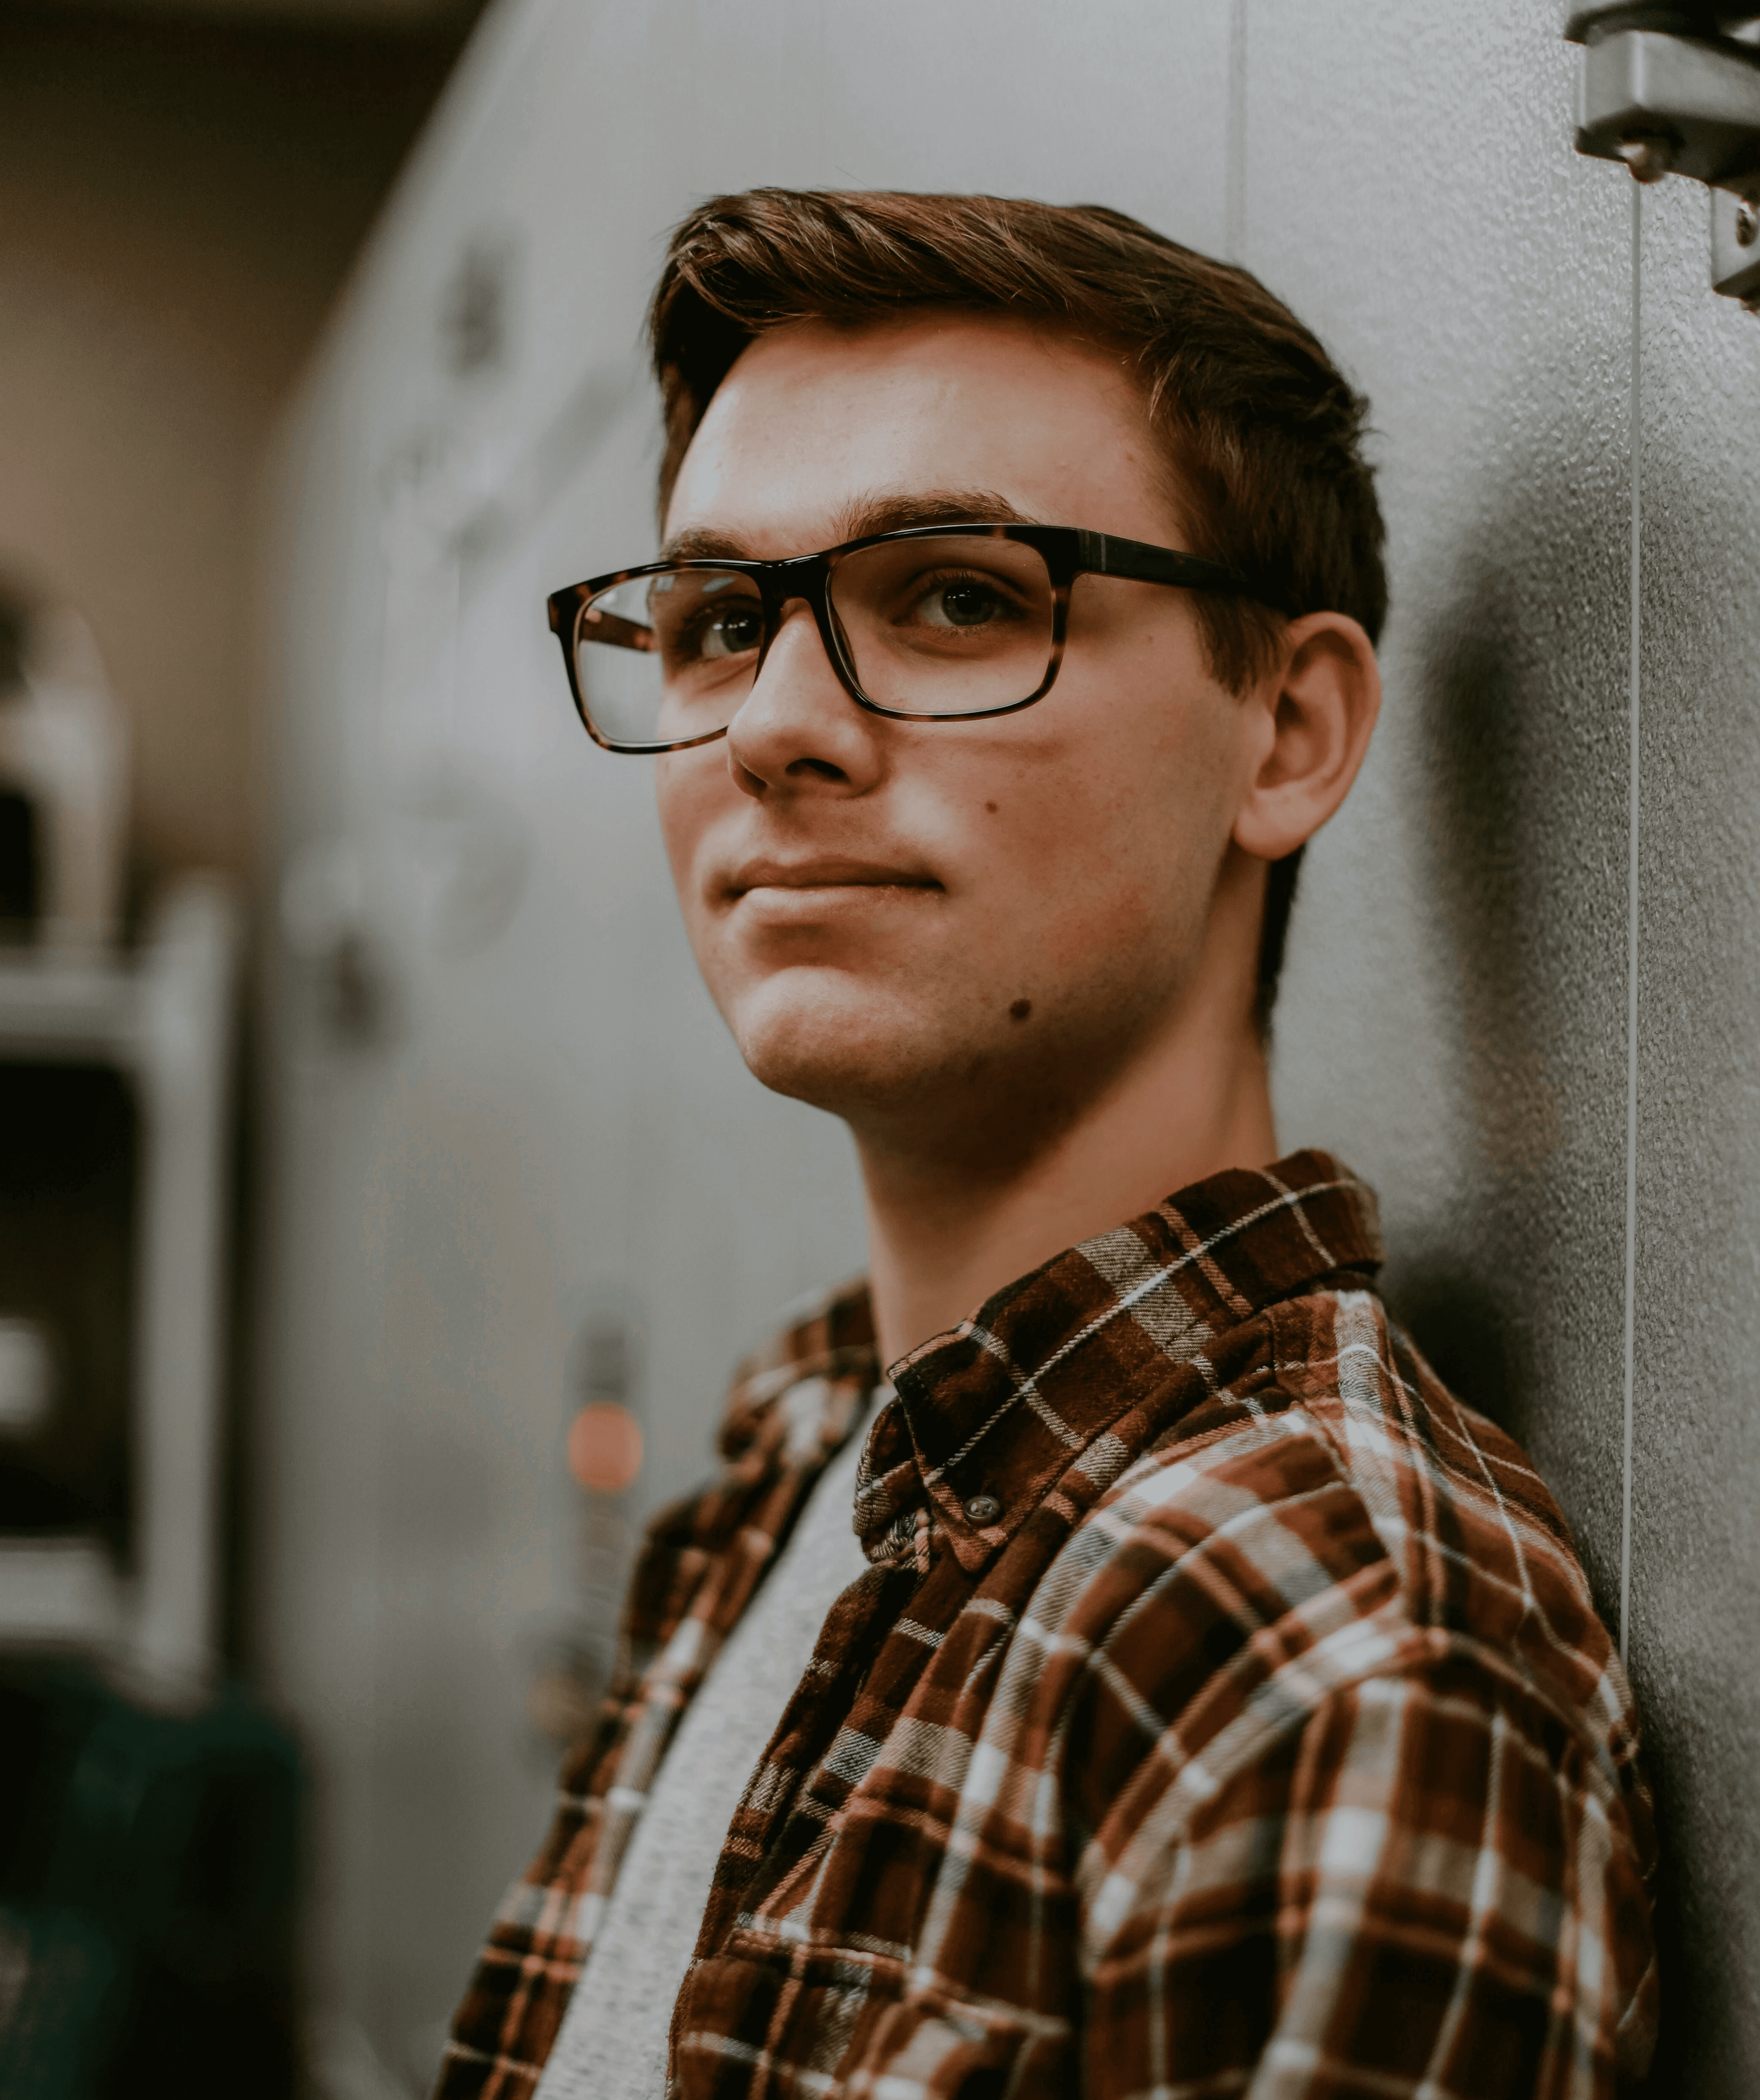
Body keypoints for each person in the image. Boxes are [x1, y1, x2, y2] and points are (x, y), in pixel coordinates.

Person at [436, 190, 1657, 2100]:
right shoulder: (802, 1450)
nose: (772, 727)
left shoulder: (1322, 1653)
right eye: (717, 619)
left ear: (1287, 728)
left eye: (953, 598)